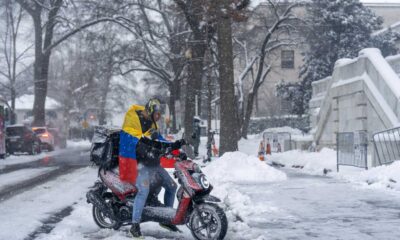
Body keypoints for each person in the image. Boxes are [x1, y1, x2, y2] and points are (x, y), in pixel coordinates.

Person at [118, 97, 182, 238]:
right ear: (151, 111)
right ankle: (134, 226)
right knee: (143, 190)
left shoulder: (152, 124)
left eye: (160, 115)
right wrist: (147, 150)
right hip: (137, 164)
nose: (159, 117)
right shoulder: (134, 122)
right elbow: (134, 142)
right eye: (157, 114)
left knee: (172, 186)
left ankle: (166, 219)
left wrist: (175, 147)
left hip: (152, 163)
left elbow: (159, 140)